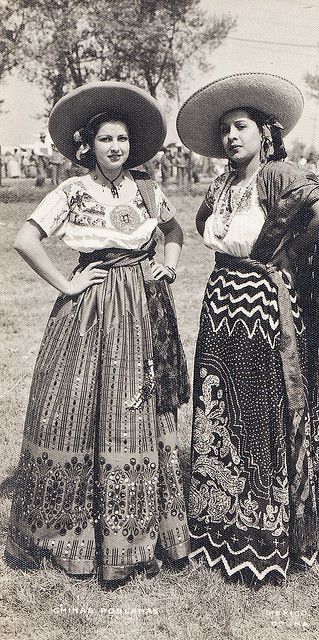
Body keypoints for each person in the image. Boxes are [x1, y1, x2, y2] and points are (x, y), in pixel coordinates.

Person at [5, 81, 190, 586]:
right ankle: (74, 525)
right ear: (89, 145)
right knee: (80, 403)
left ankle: (143, 532)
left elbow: (173, 233)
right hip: (92, 305)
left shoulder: (148, 189)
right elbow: (25, 239)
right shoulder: (71, 191)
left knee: (136, 404)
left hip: (143, 303)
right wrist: (67, 282)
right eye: (106, 139)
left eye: (123, 139)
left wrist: (167, 266)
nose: (116, 148)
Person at [177, 73, 319, 584]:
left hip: (261, 306)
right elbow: (208, 225)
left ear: (264, 133)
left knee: (262, 413)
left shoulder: (277, 175)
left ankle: (267, 532)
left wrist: (285, 248)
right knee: (220, 411)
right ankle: (219, 523)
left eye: (241, 126)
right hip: (221, 305)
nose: (231, 136)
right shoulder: (223, 183)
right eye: (225, 129)